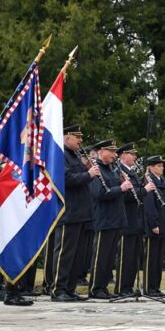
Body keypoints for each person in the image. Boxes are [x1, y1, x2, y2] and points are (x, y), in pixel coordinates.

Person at [49, 125, 96, 302]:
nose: (80, 141)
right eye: (77, 137)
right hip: (68, 211)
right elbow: (65, 179)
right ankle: (58, 289)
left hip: (81, 212)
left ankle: (69, 289)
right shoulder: (60, 155)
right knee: (65, 253)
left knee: (77, 255)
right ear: (66, 137)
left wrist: (88, 171)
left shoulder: (75, 155)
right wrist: (89, 174)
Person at [88, 139, 129, 299]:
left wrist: (123, 185)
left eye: (115, 152)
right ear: (101, 151)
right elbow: (99, 193)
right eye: (111, 151)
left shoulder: (113, 169)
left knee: (110, 256)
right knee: (101, 256)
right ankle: (95, 288)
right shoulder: (96, 169)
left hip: (116, 218)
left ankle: (103, 287)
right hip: (104, 218)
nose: (114, 155)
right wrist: (121, 188)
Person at [114, 143, 145, 297]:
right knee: (125, 257)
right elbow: (125, 196)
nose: (135, 157)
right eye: (132, 154)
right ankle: (121, 287)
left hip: (136, 220)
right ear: (123, 155)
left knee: (133, 257)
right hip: (126, 219)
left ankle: (128, 286)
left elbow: (136, 194)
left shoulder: (131, 173)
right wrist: (144, 191)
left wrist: (142, 190)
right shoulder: (119, 171)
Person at [141, 155, 165, 297]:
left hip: (163, 223)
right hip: (154, 225)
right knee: (151, 259)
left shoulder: (162, 181)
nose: (162, 168)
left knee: (158, 259)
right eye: (159, 166)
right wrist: (153, 224)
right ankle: (148, 287)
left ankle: (156, 287)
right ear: (151, 167)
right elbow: (149, 205)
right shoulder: (148, 180)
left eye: (162, 166)